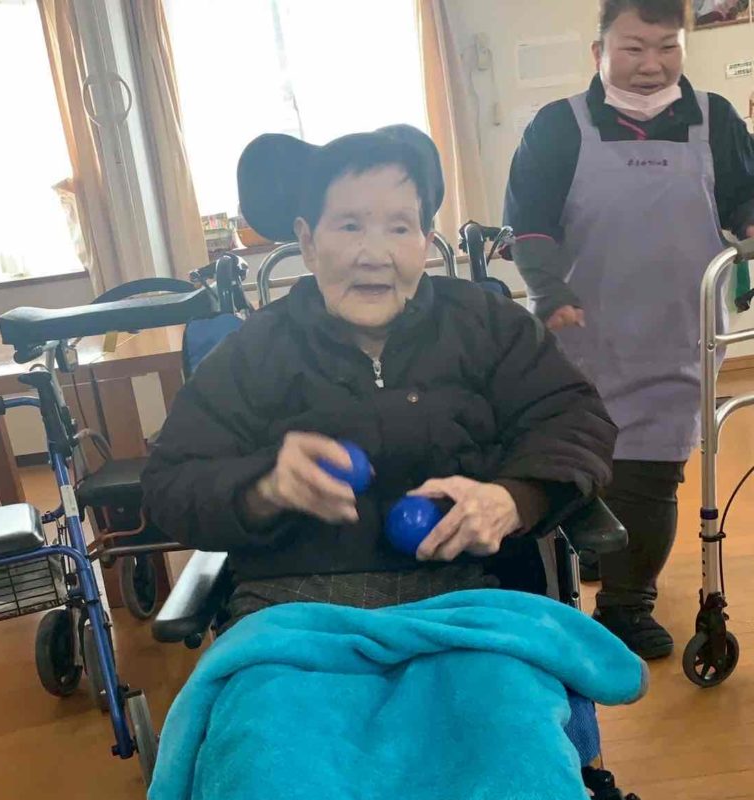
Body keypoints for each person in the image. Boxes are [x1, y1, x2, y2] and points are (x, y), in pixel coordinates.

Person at [143, 125, 615, 621]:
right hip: (297, 610)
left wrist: (514, 498)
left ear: (425, 242)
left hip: (479, 595)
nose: (374, 255)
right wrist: (265, 489)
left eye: (399, 228)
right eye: (349, 227)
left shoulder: (490, 327)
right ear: (308, 241)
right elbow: (170, 484)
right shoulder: (253, 352)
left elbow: (576, 419)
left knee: (542, 677)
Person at [504, 0, 754, 660]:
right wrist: (548, 289)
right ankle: (597, 551)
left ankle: (624, 604)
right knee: (589, 457)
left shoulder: (715, 120)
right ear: (599, 53)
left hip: (681, 331)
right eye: (634, 48)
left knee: (651, 469)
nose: (652, 64)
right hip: (584, 329)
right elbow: (530, 220)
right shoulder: (558, 126)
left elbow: (744, 199)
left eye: (667, 48)